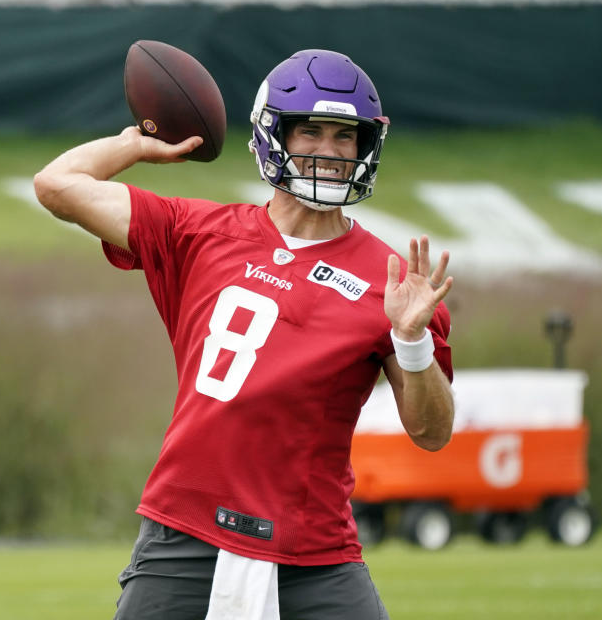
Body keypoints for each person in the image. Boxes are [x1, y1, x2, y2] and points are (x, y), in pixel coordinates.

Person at [34, 49, 455, 620]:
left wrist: (411, 341)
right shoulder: (197, 232)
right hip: (183, 536)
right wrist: (136, 142)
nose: (329, 153)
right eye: (311, 131)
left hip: (313, 553)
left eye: (345, 136)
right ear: (272, 135)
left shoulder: (395, 284)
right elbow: (57, 184)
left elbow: (432, 433)